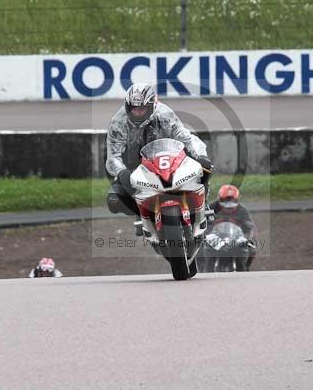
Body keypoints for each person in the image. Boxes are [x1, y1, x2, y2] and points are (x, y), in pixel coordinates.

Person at [105, 82, 213, 219]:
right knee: (114, 201)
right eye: (133, 108)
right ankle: (144, 215)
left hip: (169, 159)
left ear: (152, 106)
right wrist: (122, 172)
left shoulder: (164, 115)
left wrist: (201, 156)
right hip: (135, 168)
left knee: (205, 168)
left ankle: (203, 204)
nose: (137, 112)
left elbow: (186, 137)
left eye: (142, 108)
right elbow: (113, 155)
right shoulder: (118, 122)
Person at [210, 184, 258, 270]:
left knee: (251, 248)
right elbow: (202, 223)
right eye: (225, 200)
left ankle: (244, 268)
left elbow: (251, 227)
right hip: (214, 238)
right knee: (201, 248)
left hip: (235, 238)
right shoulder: (211, 208)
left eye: (232, 200)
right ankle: (205, 269)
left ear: (237, 200)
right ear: (219, 198)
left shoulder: (242, 210)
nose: (228, 205)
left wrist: (250, 239)